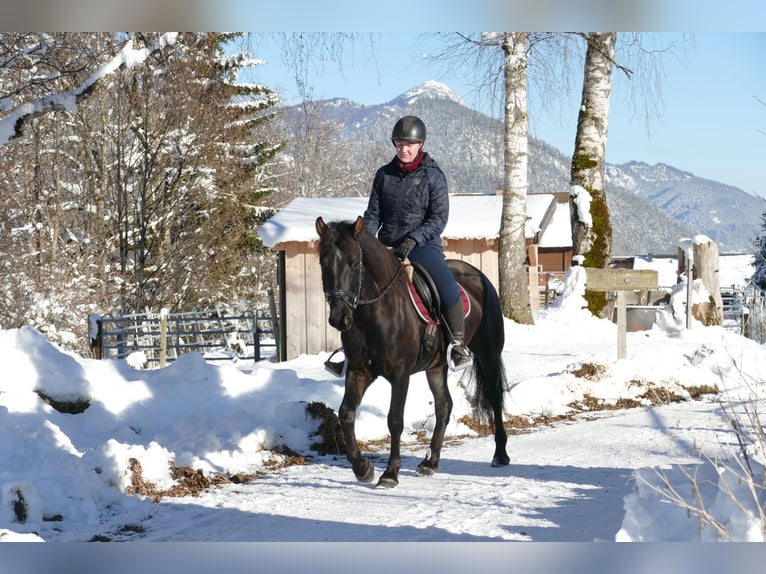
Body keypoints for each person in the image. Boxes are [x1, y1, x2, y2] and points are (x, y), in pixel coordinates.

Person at [363, 115, 471, 371]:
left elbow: (438, 217)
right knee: (356, 284)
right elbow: (373, 214)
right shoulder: (383, 175)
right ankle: (351, 348)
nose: (404, 149)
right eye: (399, 144)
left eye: (409, 144)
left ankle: (457, 344)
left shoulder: (433, 176)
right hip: (387, 245)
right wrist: (366, 244)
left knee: (446, 285)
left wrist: (414, 238)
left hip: (423, 245)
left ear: (420, 144)